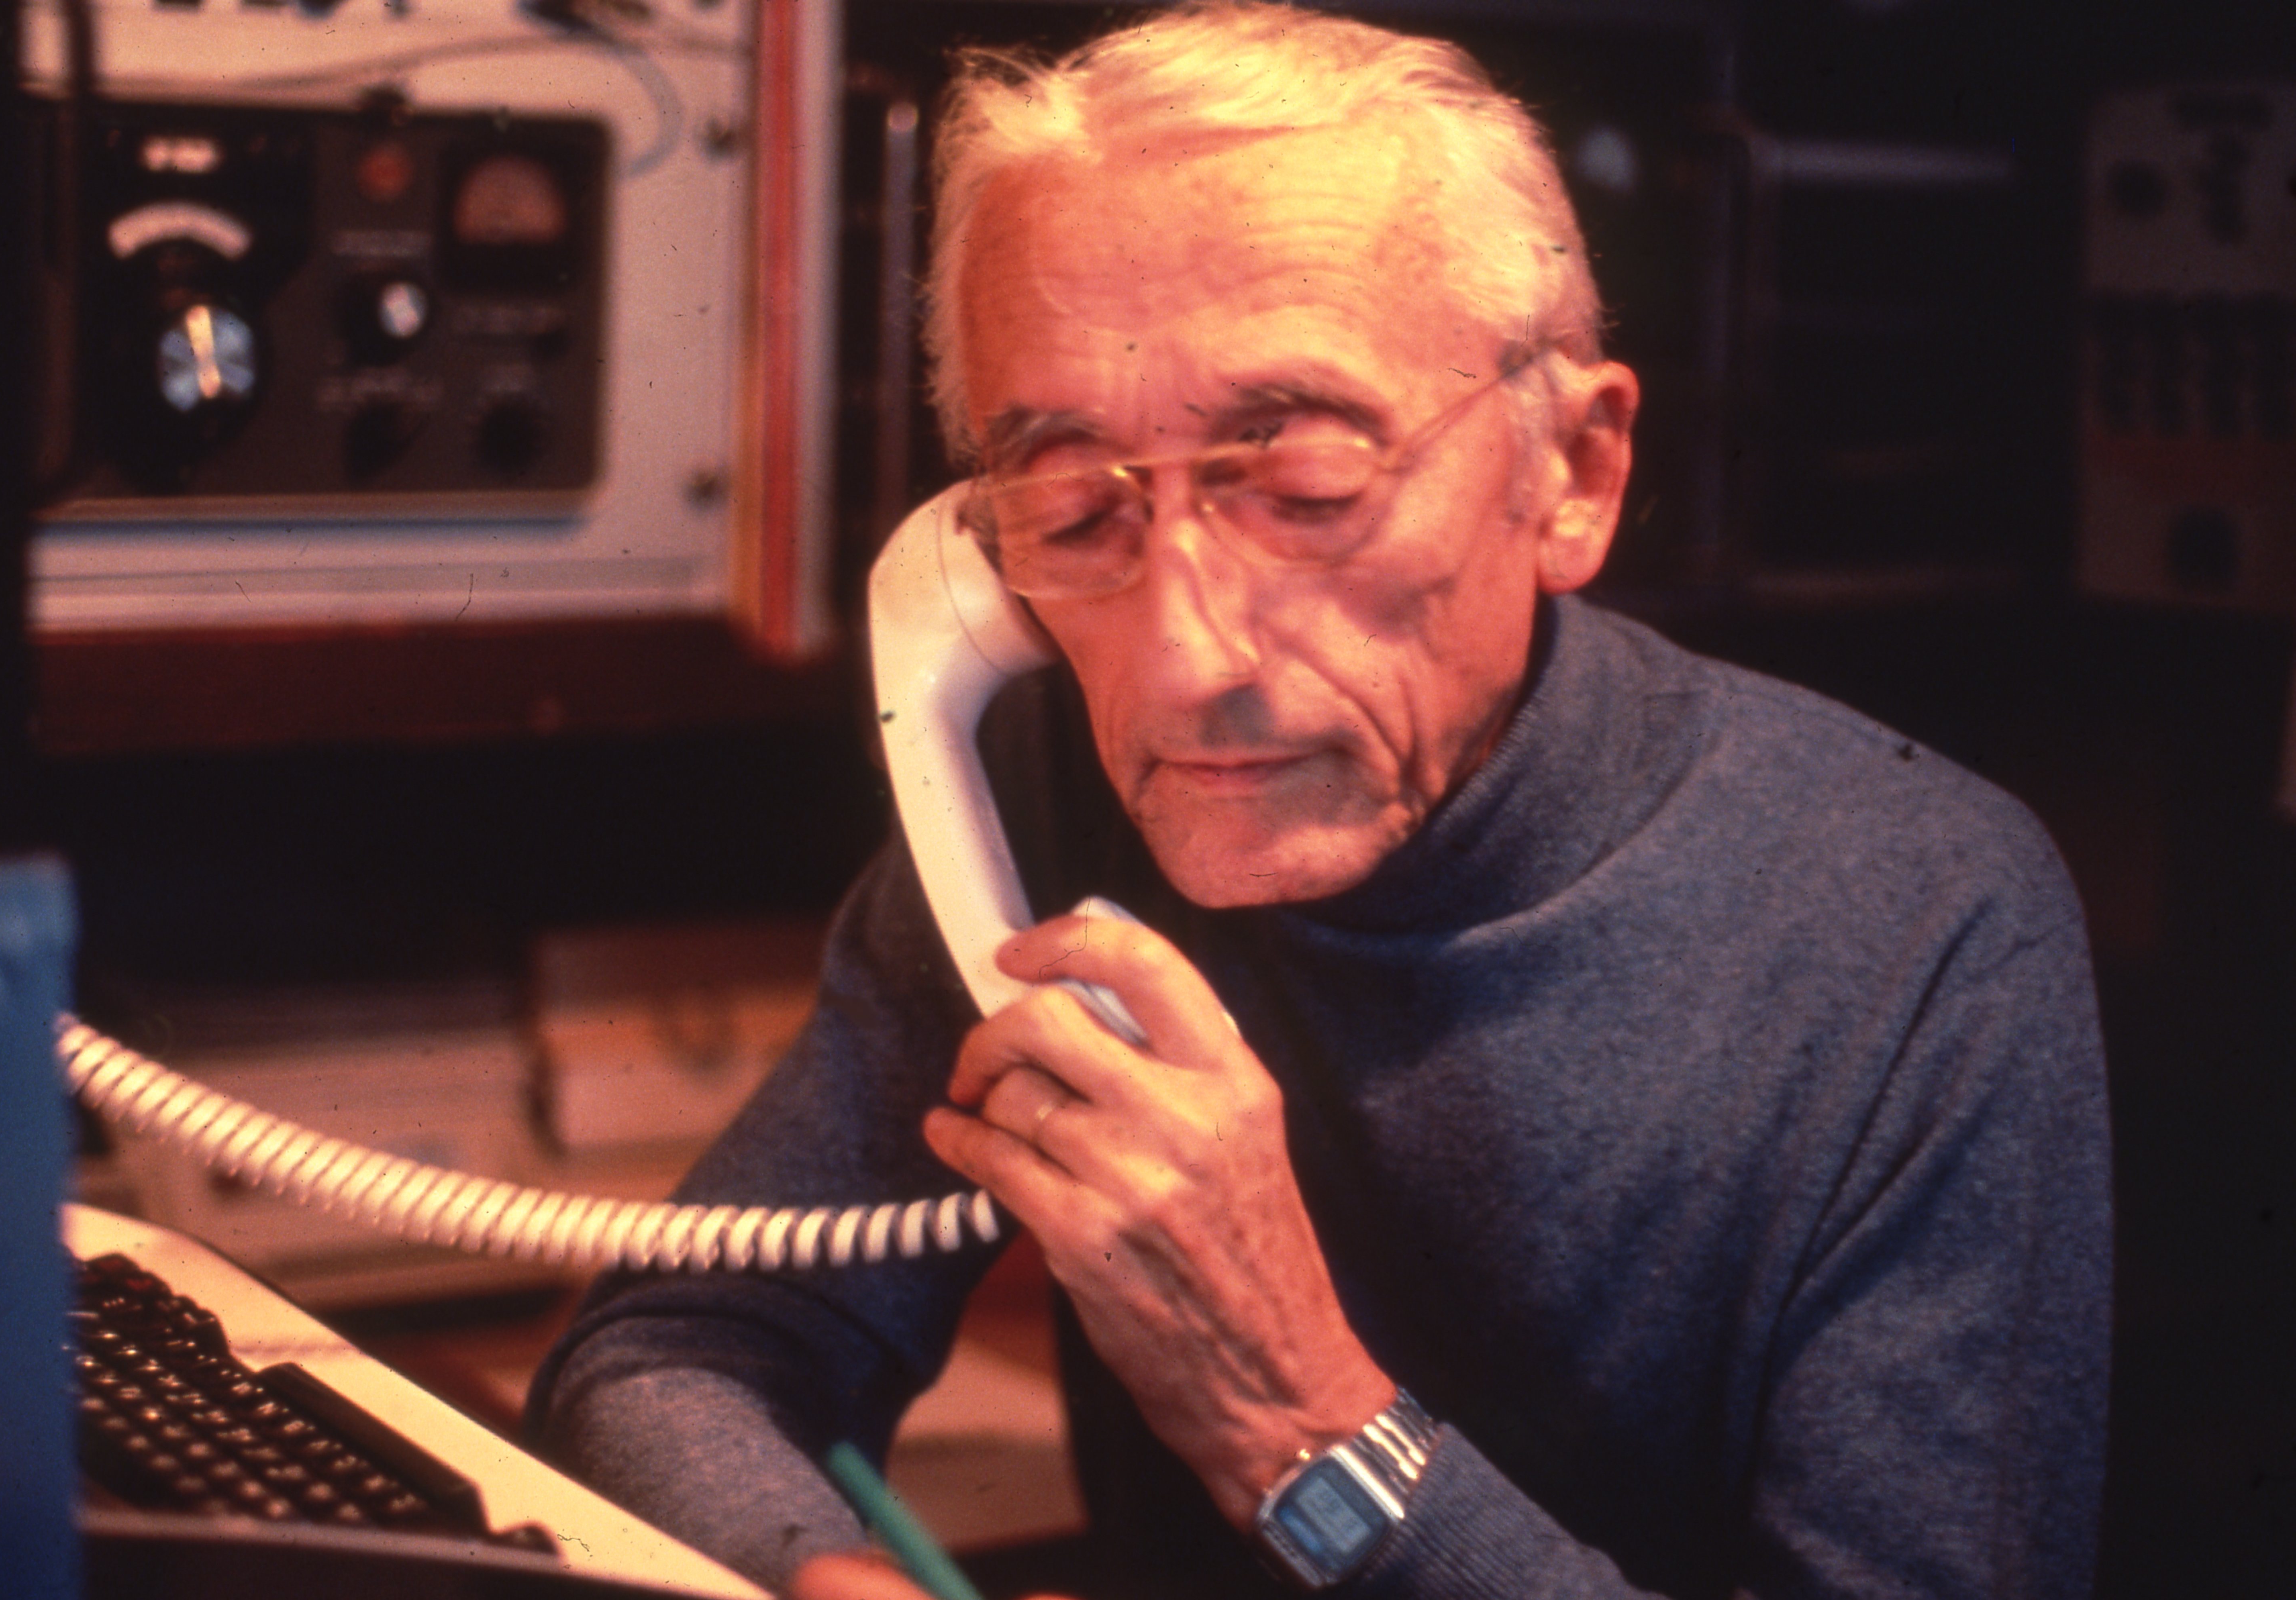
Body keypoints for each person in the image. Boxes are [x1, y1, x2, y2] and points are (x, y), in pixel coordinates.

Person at [528, 5, 2110, 1597]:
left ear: (1571, 471)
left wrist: (1296, 1421)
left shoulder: (1922, 922)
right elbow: (669, 1352)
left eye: (1304, 493)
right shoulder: (1038, 794)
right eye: (1072, 511)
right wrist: (827, 1582)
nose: (1180, 663)